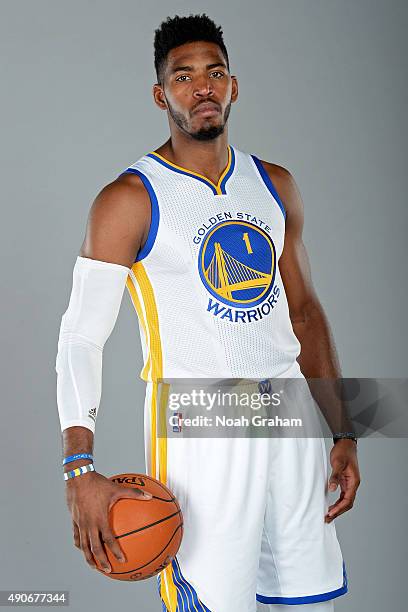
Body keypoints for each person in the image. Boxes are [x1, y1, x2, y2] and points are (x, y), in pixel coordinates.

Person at [56, 13, 360, 612]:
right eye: (184, 76)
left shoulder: (274, 185)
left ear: (233, 85)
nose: (203, 88)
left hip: (291, 416)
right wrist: (78, 467)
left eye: (214, 73)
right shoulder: (130, 199)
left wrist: (344, 428)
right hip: (202, 420)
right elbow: (80, 337)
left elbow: (304, 312)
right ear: (160, 93)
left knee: (310, 602)